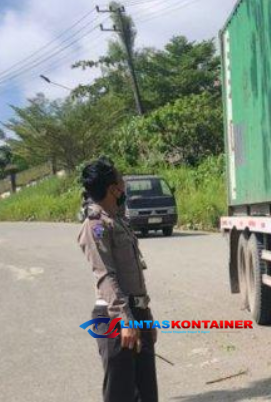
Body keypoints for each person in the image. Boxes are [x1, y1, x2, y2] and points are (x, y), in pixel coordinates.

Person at [78, 157, 158, 402]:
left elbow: (135, 276)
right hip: (115, 317)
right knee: (121, 394)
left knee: (147, 394)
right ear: (113, 188)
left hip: (137, 313)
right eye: (121, 179)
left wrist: (146, 316)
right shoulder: (96, 227)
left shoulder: (119, 222)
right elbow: (105, 275)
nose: (124, 184)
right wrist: (125, 319)